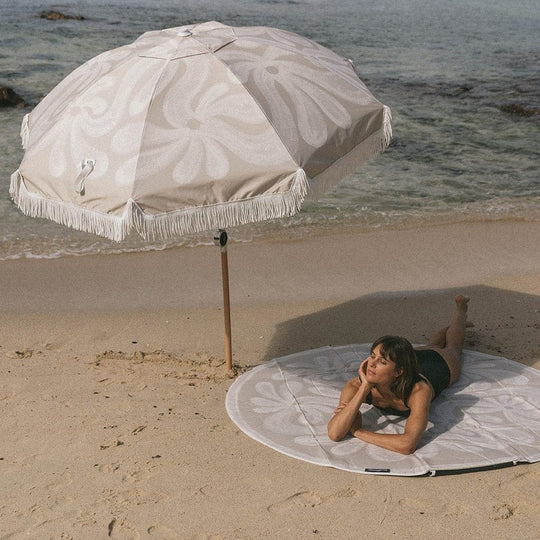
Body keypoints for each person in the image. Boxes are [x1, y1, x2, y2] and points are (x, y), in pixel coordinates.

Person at [327, 295, 471, 455]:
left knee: (453, 347)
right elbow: (335, 433)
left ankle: (461, 311)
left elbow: (407, 445)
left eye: (382, 361)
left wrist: (358, 432)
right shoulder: (355, 386)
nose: (372, 364)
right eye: (372, 356)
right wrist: (364, 389)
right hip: (408, 362)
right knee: (432, 345)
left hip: (435, 366)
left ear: (398, 371)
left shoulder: (418, 390)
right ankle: (444, 332)